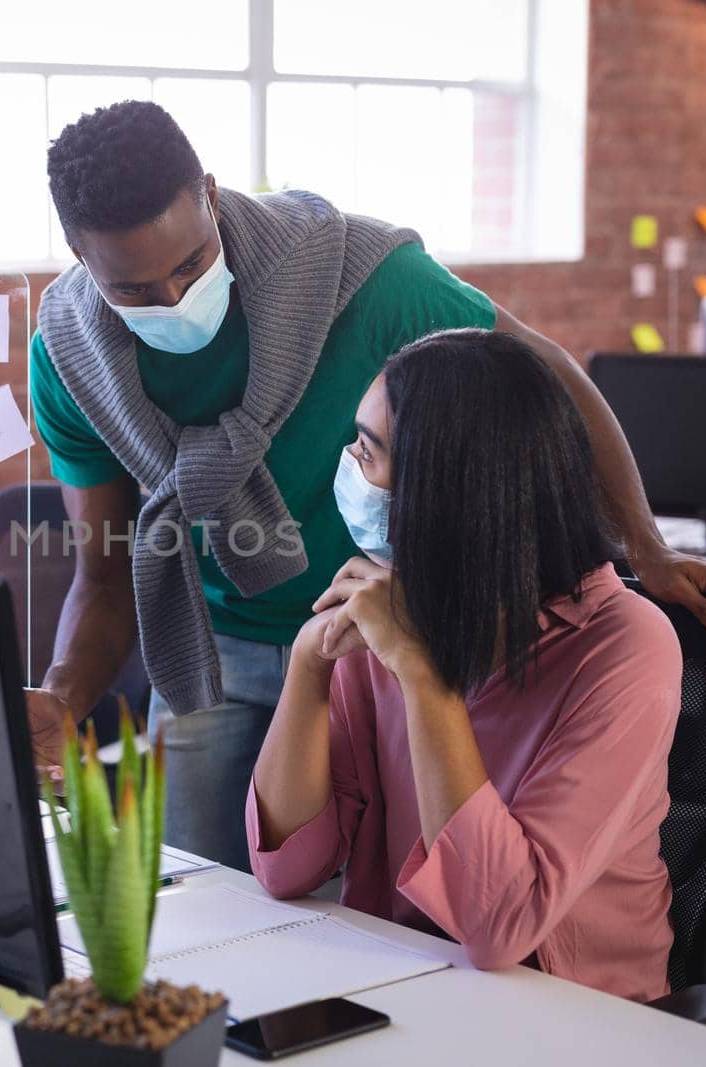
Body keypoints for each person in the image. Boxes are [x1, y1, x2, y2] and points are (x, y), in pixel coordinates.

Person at [27, 99, 706, 872]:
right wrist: (61, 695)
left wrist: (644, 549)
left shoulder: (358, 277)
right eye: (137, 291)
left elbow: (546, 383)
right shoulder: (71, 360)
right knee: (201, 900)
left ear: (210, 196)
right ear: (80, 257)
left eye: (189, 266)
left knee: (386, 896)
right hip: (213, 650)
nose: (175, 301)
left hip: (384, 635)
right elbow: (106, 575)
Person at [249, 329, 680, 1002]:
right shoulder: (392, 610)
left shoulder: (625, 646)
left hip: (574, 1013)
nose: (349, 466)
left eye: (369, 450)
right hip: (409, 982)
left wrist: (422, 675)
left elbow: (498, 924)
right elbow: (286, 867)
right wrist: (309, 662)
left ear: (447, 488)